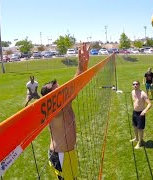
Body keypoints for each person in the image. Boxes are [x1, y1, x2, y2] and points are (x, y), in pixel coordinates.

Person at [41, 42, 90, 180]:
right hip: (60, 155)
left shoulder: (65, 103)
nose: (62, 90)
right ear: (50, 98)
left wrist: (83, 66)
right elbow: (74, 88)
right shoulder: (55, 110)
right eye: (57, 90)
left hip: (69, 153)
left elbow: (75, 86)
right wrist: (81, 66)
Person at [130, 80, 152, 149]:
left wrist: (145, 110)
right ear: (132, 85)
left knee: (140, 129)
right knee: (135, 126)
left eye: (137, 84)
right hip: (134, 112)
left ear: (139, 85)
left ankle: (140, 143)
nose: (135, 85)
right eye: (134, 84)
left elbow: (149, 104)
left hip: (141, 113)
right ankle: (136, 138)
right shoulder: (132, 92)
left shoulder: (143, 94)